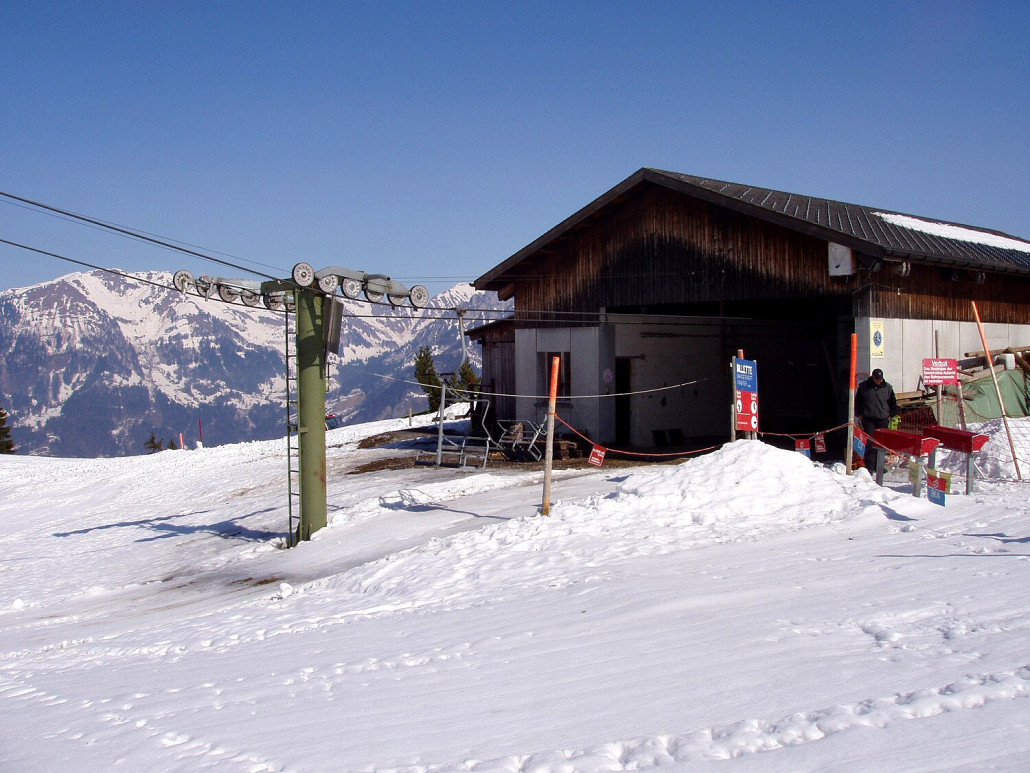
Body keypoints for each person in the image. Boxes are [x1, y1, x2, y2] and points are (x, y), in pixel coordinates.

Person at [855, 368, 899, 470]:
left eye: (880, 379)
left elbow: (893, 403)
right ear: (873, 377)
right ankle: (870, 466)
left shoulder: (887, 387)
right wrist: (859, 414)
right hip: (868, 419)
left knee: (880, 443)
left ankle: (879, 466)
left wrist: (891, 414)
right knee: (870, 443)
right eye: (877, 379)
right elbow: (858, 402)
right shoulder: (864, 387)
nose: (879, 381)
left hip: (882, 419)